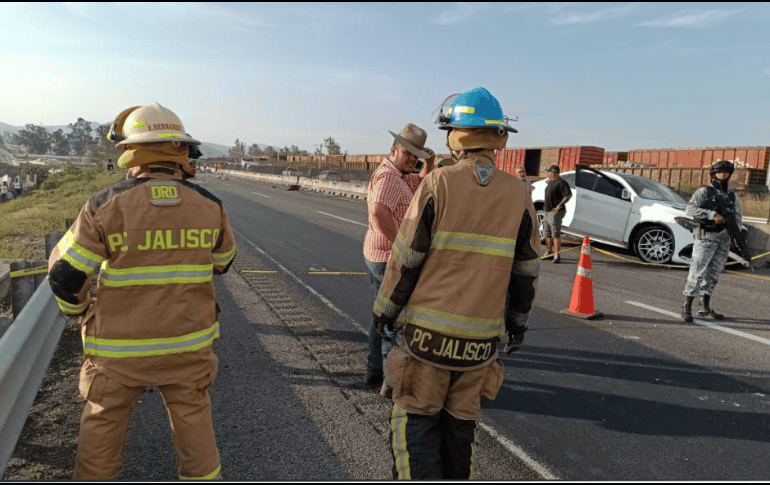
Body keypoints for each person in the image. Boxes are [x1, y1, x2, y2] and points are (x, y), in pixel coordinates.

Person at [47, 103, 236, 480]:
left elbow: (64, 274)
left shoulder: (105, 205)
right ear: (180, 150)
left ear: (131, 151)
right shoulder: (209, 206)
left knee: (102, 423)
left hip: (119, 351)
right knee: (194, 425)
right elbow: (223, 261)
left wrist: (79, 311)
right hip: (188, 346)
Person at [373, 87, 541, 479]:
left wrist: (385, 311)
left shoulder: (438, 184)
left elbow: (406, 259)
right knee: (459, 433)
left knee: (413, 425)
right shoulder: (518, 194)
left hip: (426, 342)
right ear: (498, 137)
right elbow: (527, 272)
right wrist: (516, 326)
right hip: (479, 348)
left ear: (455, 135)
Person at [362, 123, 435, 394]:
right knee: (392, 321)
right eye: (408, 154)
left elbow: (424, 182)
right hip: (385, 258)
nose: (412, 160)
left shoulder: (402, 175)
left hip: (380, 255)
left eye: (416, 156)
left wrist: (430, 162)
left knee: (380, 317)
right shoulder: (389, 178)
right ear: (394, 151)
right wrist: (401, 246)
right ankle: (390, 383)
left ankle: (373, 372)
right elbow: (379, 213)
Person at [681, 160, 741, 322]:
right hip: (704, 234)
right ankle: (686, 306)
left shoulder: (732, 196)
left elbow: (737, 218)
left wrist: (737, 235)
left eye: (726, 173)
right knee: (697, 270)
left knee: (714, 273)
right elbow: (690, 209)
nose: (723, 176)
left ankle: (704, 307)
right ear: (714, 174)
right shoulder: (703, 192)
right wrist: (711, 215)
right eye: (720, 172)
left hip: (723, 238)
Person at [542, 164, 572, 263]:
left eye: (549, 172)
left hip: (555, 212)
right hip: (547, 212)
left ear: (553, 173)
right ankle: (549, 252)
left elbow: (568, 195)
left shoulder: (561, 183)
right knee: (547, 233)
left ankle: (556, 255)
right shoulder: (551, 182)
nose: (548, 173)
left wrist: (559, 205)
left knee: (555, 233)